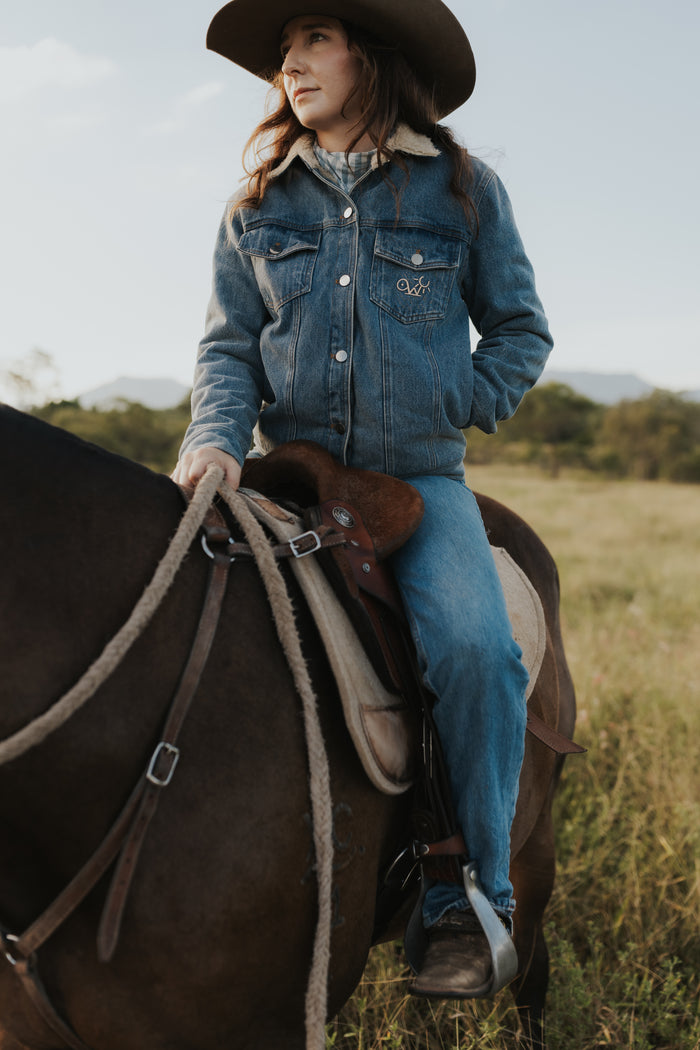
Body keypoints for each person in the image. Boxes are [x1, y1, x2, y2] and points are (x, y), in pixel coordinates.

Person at [173, 0, 552, 999]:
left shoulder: (462, 192)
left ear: (370, 57)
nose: (289, 65)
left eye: (312, 41)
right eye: (283, 52)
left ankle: (471, 900)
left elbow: (519, 332)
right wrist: (212, 442)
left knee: (476, 651)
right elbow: (225, 348)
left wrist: (458, 398)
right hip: (282, 479)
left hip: (416, 484)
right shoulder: (254, 204)